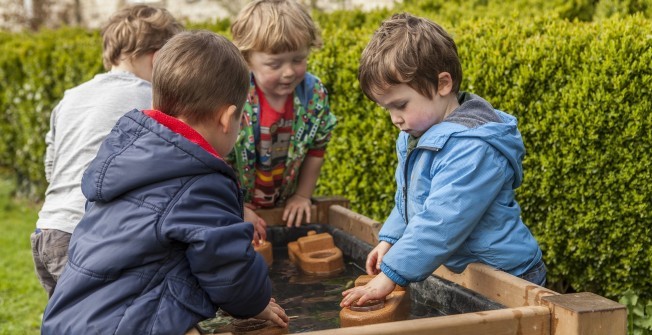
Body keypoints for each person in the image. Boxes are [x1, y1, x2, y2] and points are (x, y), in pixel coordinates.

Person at [41, 30, 289, 335]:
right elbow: (228, 264)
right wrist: (256, 302)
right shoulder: (201, 178)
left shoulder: (125, 155)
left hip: (69, 320)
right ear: (227, 118)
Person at [340, 13, 546, 308]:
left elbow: (440, 221)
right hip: (472, 275)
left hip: (510, 278)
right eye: (386, 109)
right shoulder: (418, 133)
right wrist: (390, 241)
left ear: (443, 84)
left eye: (400, 105)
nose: (395, 119)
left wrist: (391, 275)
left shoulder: (473, 149)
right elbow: (409, 199)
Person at [31, 4, 183, 298]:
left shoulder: (71, 97)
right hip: (89, 236)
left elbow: (52, 167)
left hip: (47, 230)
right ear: (159, 60)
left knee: (72, 321)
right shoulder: (148, 98)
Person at [229, 0, 337, 236]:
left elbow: (317, 149)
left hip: (282, 205)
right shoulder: (233, 96)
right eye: (274, 64)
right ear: (247, 58)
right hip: (233, 207)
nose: (288, 72)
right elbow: (215, 158)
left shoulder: (313, 95)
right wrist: (236, 205)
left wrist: (302, 196)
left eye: (298, 60)